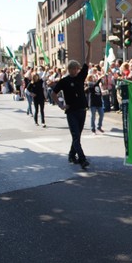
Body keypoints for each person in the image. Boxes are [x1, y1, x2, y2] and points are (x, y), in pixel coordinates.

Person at [51, 41, 91, 169]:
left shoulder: (81, 76)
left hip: (82, 110)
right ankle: (82, 159)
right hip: (71, 111)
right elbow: (53, 94)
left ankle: (71, 155)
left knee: (77, 136)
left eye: (76, 68)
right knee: (75, 135)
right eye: (72, 68)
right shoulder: (64, 81)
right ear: (68, 69)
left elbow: (87, 62)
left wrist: (89, 48)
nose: (74, 70)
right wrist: (61, 106)